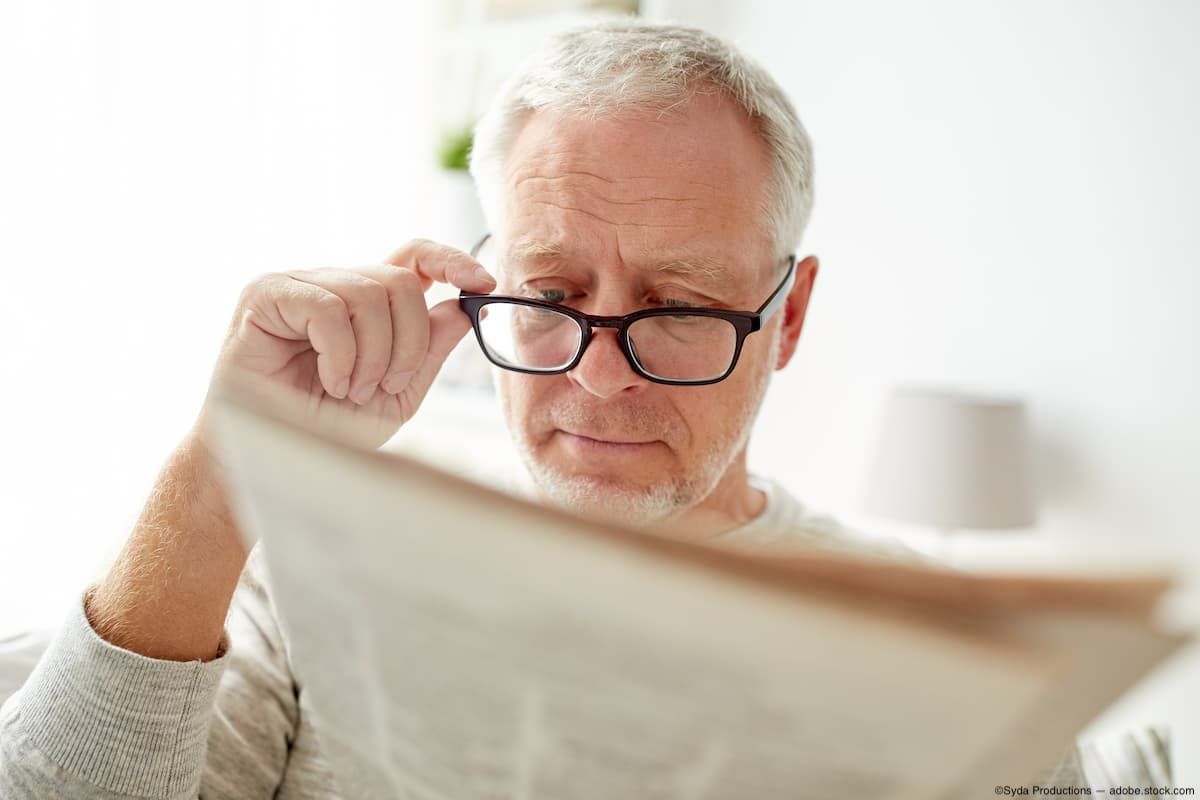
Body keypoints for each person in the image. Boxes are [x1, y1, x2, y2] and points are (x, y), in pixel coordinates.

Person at [0, 19, 924, 798]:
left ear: (788, 317)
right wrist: (224, 470)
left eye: (677, 308)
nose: (599, 379)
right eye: (552, 298)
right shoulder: (316, 566)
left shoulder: (948, 651)